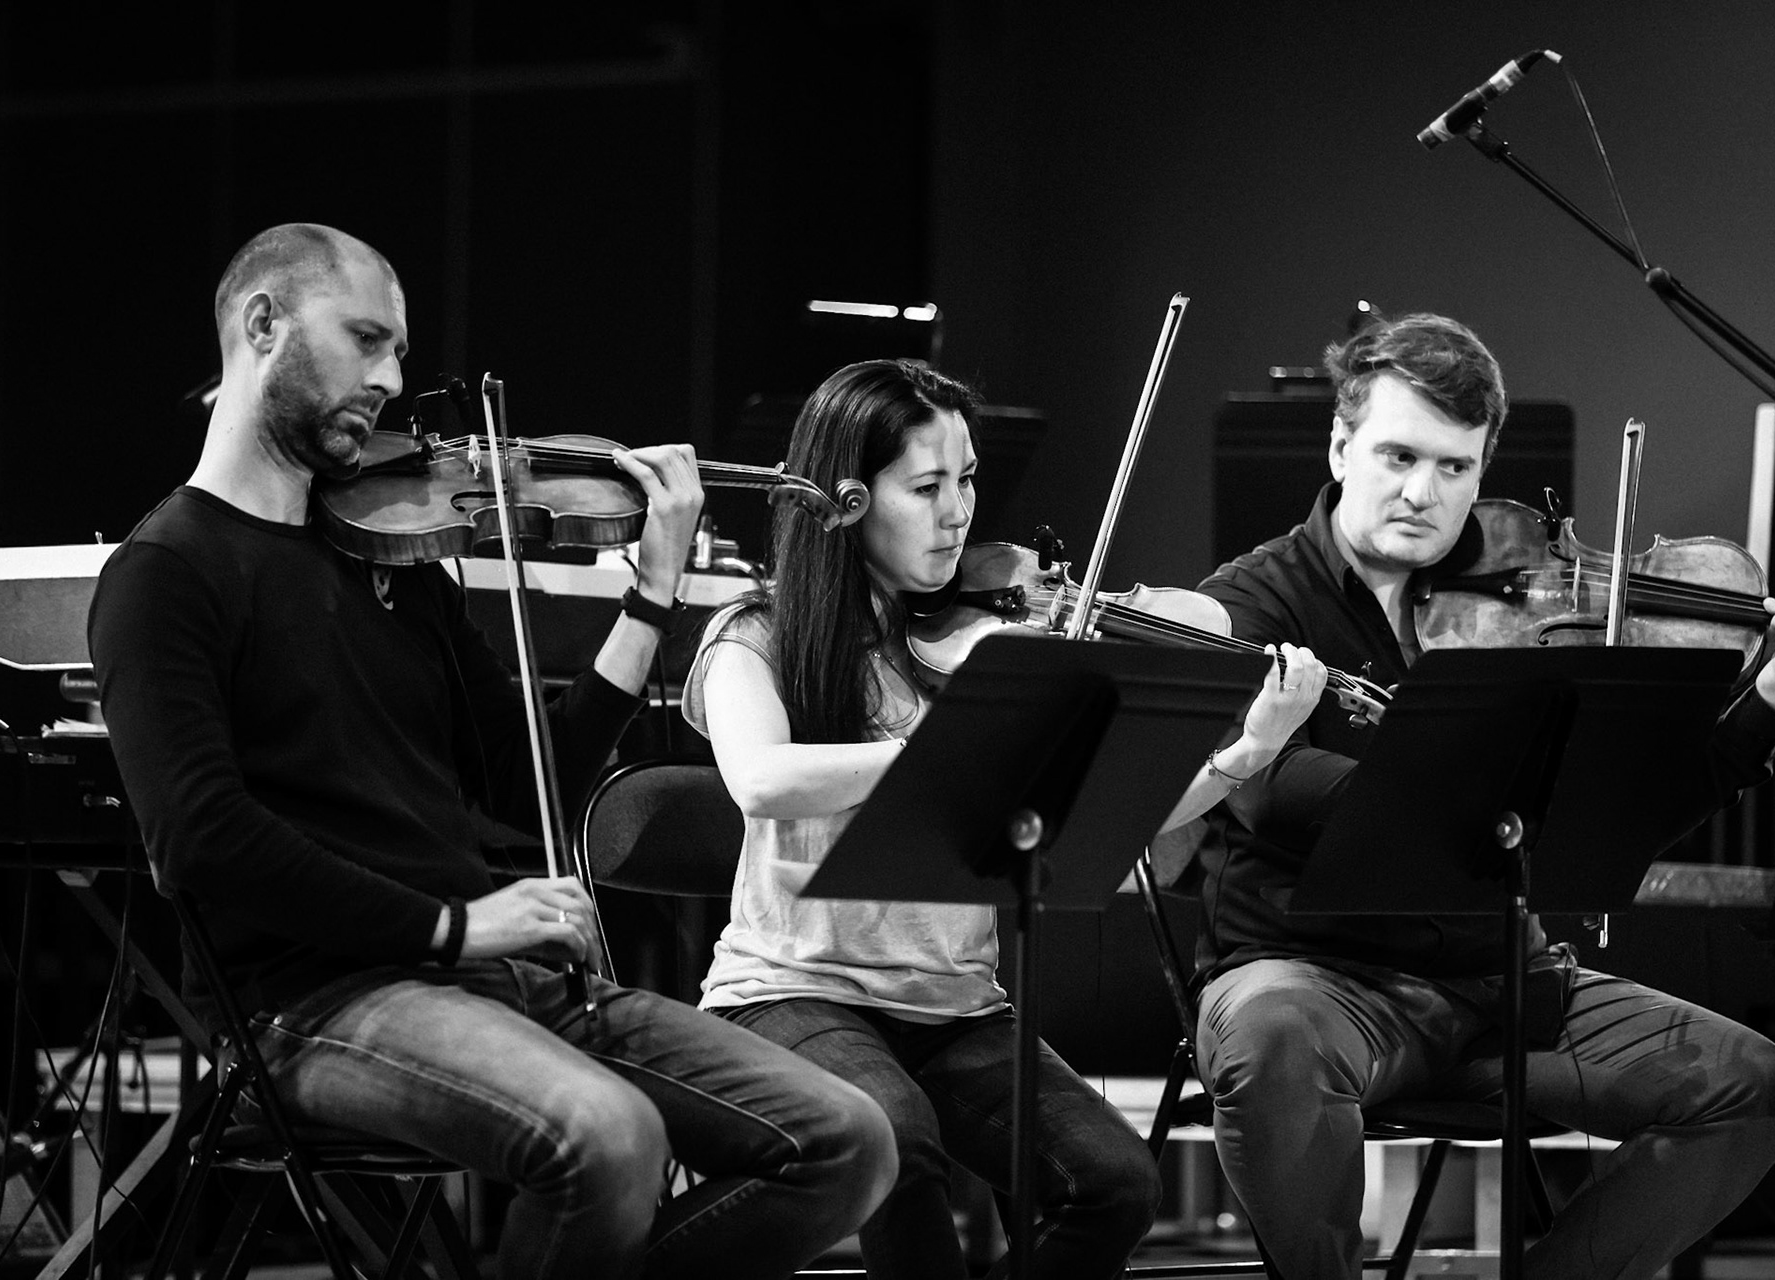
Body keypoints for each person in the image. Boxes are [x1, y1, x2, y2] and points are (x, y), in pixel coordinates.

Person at [88, 223, 896, 1280]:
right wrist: (452, 923)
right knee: (609, 1138)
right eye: (367, 340)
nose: (391, 378)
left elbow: (528, 779)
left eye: (400, 351)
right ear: (262, 323)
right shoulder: (169, 571)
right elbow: (199, 837)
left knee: (847, 1141)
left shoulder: (396, 562)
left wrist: (649, 596)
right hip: (318, 1004)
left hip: (499, 977)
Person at [1189, 311, 1775, 1279]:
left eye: (1455, 468)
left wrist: (1772, 700)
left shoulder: (1525, 597)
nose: (1424, 493)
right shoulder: (1254, 600)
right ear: (1340, 444)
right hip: (1317, 978)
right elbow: (1263, 789)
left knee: (1747, 1081)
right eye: (1398, 456)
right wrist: (1476, 784)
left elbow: (1624, 813)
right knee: (1270, 1034)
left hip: (1503, 980)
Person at [683, 358, 1326, 1280]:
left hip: (953, 1009)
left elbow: (1109, 812)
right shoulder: (758, 633)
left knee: (1117, 1182)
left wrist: (1249, 749)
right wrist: (957, 741)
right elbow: (762, 779)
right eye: (928, 486)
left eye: (970, 479)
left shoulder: (986, 644)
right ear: (848, 499)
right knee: (900, 1148)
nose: (960, 513)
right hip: (792, 993)